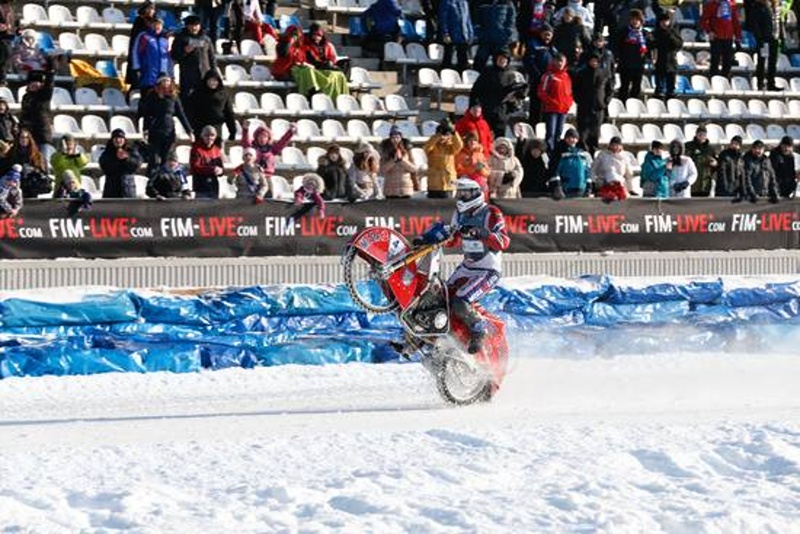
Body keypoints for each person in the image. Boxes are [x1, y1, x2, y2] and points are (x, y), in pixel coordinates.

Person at [413, 177, 510, 353]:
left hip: (488, 270)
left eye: (465, 193)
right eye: (460, 193)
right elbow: (453, 240)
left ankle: (479, 329)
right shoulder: (459, 214)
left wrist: (480, 232)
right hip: (467, 267)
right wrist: (431, 238)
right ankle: (423, 338)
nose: (461, 197)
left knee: (460, 301)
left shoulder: (491, 213)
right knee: (439, 298)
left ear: (475, 193)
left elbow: (503, 242)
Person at [138, 75, 193, 173]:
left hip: (169, 131)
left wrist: (189, 131)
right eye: (164, 81)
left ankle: (165, 182)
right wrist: (145, 129)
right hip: (155, 131)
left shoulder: (174, 96)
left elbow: (181, 114)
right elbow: (147, 114)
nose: (167, 83)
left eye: (168, 80)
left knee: (166, 159)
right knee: (154, 160)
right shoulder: (152, 96)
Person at [470, 49, 527, 139]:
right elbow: (475, 91)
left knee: (500, 138)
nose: (502, 61)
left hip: (502, 111)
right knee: (483, 136)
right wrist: (475, 105)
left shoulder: (511, 74)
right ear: (495, 59)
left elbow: (520, 92)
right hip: (487, 109)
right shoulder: (487, 73)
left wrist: (517, 96)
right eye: (500, 58)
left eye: (505, 59)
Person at [170, 14, 217, 109]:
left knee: (205, 100)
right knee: (187, 100)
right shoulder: (181, 38)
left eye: (196, 25)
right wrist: (185, 52)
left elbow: (212, 58)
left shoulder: (206, 39)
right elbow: (174, 55)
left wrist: (213, 73)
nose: (194, 28)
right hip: (188, 75)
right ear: (187, 26)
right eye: (191, 25)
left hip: (204, 74)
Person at [298, 23, 349, 99]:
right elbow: (307, 60)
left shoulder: (327, 45)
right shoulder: (305, 45)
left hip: (327, 65)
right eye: (314, 35)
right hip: (315, 67)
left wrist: (330, 63)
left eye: (319, 35)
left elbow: (332, 57)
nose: (316, 37)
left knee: (346, 63)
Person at [573, 51, 609, 155]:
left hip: (598, 106)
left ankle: (594, 151)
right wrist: (578, 100)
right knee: (583, 130)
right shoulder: (581, 73)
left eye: (596, 61)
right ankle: (584, 150)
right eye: (592, 61)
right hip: (584, 105)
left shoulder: (604, 73)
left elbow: (609, 88)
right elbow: (576, 88)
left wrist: (605, 101)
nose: (594, 63)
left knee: (595, 131)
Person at [186, 69, 237, 143]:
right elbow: (190, 111)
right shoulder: (197, 93)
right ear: (206, 80)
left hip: (217, 127)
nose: (213, 83)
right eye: (210, 80)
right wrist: (191, 128)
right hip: (200, 128)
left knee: (216, 151)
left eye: (215, 81)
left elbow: (229, 113)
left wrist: (232, 131)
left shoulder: (224, 94)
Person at [537, 53, 573, 154]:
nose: (560, 63)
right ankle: (549, 154)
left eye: (562, 61)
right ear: (554, 61)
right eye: (558, 61)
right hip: (551, 110)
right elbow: (541, 92)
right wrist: (552, 102)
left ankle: (556, 154)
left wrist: (568, 104)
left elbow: (569, 92)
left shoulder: (566, 76)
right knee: (550, 134)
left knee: (559, 134)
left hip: (563, 110)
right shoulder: (549, 75)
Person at [701, 0, 742, 78]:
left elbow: (735, 22)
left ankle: (725, 79)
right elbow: (703, 20)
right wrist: (709, 31)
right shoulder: (711, 4)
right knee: (715, 60)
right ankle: (714, 79)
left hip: (728, 37)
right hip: (716, 37)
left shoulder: (731, 4)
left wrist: (738, 38)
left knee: (727, 61)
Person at [424, 118, 464, 198]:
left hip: (448, 183)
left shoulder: (451, 147)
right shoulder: (433, 146)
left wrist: (454, 132)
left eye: (447, 135)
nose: (445, 137)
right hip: (434, 184)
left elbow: (460, 145)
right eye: (443, 134)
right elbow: (426, 148)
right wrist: (438, 136)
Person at [473, 0, 517, 71]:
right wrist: (480, 33)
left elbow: (511, 18)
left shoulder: (507, 2)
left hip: (501, 40)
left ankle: (500, 81)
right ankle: (478, 81)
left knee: (501, 67)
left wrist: (507, 32)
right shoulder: (480, 2)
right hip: (485, 40)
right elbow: (475, 18)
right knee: (478, 64)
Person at [132, 17, 172, 94]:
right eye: (155, 24)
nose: (157, 26)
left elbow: (168, 56)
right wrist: (136, 68)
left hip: (163, 73)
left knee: (161, 98)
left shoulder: (165, 38)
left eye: (159, 24)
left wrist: (169, 71)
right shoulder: (144, 36)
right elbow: (135, 52)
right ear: (151, 25)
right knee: (147, 97)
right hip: (148, 72)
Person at [99, 129, 143, 198]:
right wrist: (117, 159)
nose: (118, 140)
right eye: (116, 138)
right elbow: (104, 166)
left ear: (124, 140)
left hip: (128, 189)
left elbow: (137, 165)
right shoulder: (107, 153)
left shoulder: (131, 151)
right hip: (111, 190)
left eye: (121, 138)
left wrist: (126, 158)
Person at [650, 11, 683, 99]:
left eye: (666, 21)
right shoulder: (655, 33)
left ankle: (670, 94)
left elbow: (679, 44)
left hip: (671, 61)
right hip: (659, 61)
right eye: (662, 21)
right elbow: (650, 45)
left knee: (671, 84)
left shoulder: (673, 32)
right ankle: (659, 94)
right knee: (659, 85)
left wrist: (670, 35)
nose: (664, 23)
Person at [616, 9, 648, 101]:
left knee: (636, 88)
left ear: (641, 21)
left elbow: (649, 47)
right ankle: (622, 105)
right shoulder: (623, 32)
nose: (635, 22)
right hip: (625, 65)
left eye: (637, 20)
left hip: (639, 65)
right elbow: (617, 46)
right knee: (624, 88)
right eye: (633, 19)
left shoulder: (645, 33)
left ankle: (634, 104)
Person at [750, 0, 782, 91]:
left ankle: (771, 84)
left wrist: (780, 36)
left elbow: (778, 23)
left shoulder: (775, 8)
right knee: (762, 61)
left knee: (773, 62)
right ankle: (760, 84)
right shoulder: (758, 7)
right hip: (764, 39)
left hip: (774, 39)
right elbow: (755, 24)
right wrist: (759, 38)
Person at [379, 125, 419, 198]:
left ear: (401, 138)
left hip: (405, 188)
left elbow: (414, 169)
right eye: (393, 138)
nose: (395, 140)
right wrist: (393, 161)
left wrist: (402, 160)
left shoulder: (407, 151)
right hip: (391, 189)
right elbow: (381, 171)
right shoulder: (386, 152)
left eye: (397, 137)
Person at [19, 66, 55, 147]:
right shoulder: (25, 97)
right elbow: (23, 114)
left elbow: (49, 84)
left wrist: (49, 72)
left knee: (44, 158)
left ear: (41, 84)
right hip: (29, 136)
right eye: (31, 83)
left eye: (37, 82)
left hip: (42, 134)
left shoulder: (44, 95)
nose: (34, 84)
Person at [126, 1, 156, 91]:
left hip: (150, 57)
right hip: (140, 55)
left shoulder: (155, 21)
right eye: (149, 8)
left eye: (153, 9)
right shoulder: (139, 21)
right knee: (137, 84)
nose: (151, 11)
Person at [592, 136, 633, 202]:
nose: (614, 147)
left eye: (617, 145)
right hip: (604, 182)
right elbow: (594, 169)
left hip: (619, 183)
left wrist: (630, 188)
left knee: (623, 196)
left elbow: (629, 174)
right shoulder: (602, 155)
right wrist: (593, 182)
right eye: (613, 145)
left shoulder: (624, 157)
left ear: (620, 146)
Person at [554, 129, 592, 198]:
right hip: (567, 189)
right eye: (568, 137)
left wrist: (589, 187)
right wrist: (558, 187)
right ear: (565, 139)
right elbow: (556, 171)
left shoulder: (582, 154)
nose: (571, 139)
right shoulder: (560, 153)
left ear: (577, 140)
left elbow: (587, 172)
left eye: (573, 138)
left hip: (581, 189)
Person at [190, 125, 225, 199]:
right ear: (202, 136)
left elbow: (221, 167)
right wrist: (212, 169)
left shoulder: (216, 150)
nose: (209, 138)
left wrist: (220, 171)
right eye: (206, 135)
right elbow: (195, 167)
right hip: (201, 185)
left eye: (212, 135)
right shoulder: (196, 149)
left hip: (213, 186)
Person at [439, 0, 474, 72]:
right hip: (451, 35)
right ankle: (445, 74)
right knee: (448, 57)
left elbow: (468, 20)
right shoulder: (446, 2)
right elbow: (443, 19)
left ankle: (461, 75)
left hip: (463, 34)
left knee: (463, 59)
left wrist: (470, 33)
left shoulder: (464, 2)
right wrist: (446, 33)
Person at [684, 125, 718, 197]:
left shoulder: (710, 149)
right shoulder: (688, 146)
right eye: (700, 134)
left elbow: (716, 165)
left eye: (704, 135)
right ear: (696, 134)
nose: (702, 136)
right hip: (692, 182)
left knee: (704, 205)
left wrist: (715, 164)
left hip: (705, 183)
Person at [0, 0, 17, 86]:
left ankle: (3, 80)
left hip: (8, 37)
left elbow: (15, 23)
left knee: (6, 56)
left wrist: (17, 29)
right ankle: (2, 79)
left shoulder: (10, 10)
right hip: (1, 38)